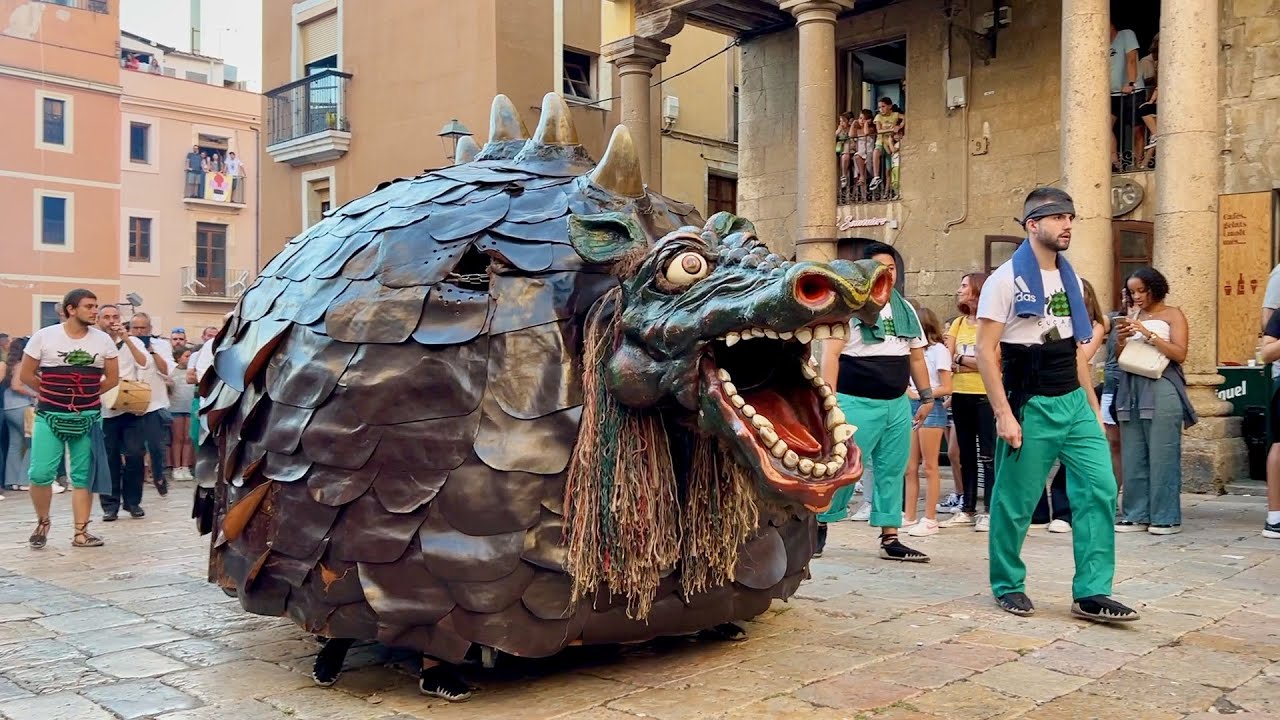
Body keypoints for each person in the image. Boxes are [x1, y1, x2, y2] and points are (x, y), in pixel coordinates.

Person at [975, 187, 1138, 622]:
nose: (1068, 225)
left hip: (1074, 402)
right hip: (1030, 403)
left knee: (1101, 489)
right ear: (1033, 225)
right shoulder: (1004, 281)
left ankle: (1092, 591)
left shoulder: (1072, 279)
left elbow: (1073, 350)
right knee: (1016, 501)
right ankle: (1008, 584)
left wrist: (1092, 408)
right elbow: (986, 351)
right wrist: (1003, 414)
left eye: (1070, 217)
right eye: (1058, 218)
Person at [815, 242, 933, 562]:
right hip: (856, 402)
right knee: (845, 468)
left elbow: (916, 357)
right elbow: (831, 357)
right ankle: (819, 524)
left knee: (892, 470)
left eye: (892, 269)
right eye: (880, 269)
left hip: (896, 404)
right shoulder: (848, 310)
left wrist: (926, 396)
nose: (888, 275)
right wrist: (829, 402)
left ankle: (890, 536)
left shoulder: (906, 310)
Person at [19, 289, 119, 548]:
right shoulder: (44, 336)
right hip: (48, 415)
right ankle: (43, 521)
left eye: (95, 306)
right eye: (89, 306)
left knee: (83, 476)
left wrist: (86, 395)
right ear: (71, 309)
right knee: (40, 473)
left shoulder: (104, 341)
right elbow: (26, 375)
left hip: (88, 417)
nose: (94, 311)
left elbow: (112, 379)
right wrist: (52, 394)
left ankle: (81, 532)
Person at [1113, 267, 1196, 535]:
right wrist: (1122, 338)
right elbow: (1120, 356)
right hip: (1131, 387)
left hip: (1162, 384)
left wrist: (1149, 334)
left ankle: (1165, 517)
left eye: (1142, 290)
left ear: (1155, 288)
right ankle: (1135, 514)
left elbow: (1180, 354)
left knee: (1163, 453)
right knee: (1133, 452)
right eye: (1132, 292)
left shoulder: (1173, 314)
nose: (1137, 296)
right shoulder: (1131, 315)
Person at [1031, 278, 1111, 533]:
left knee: (1072, 456)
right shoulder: (1057, 323)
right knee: (1038, 452)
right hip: (1048, 387)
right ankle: (1038, 512)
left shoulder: (1096, 325)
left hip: (1078, 390)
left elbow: (1080, 356)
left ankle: (1064, 512)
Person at [943, 272, 996, 530]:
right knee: (966, 453)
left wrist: (961, 361)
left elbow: (993, 360)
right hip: (961, 394)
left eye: (964, 285)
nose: (959, 290)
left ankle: (989, 510)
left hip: (986, 395)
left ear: (977, 289)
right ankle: (967, 508)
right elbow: (947, 358)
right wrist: (972, 362)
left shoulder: (992, 323)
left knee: (988, 454)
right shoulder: (958, 323)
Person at [97, 305, 151, 522]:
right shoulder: (95, 342)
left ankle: (133, 502)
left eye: (115, 316)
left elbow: (144, 363)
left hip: (131, 407)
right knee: (109, 458)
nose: (111, 321)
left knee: (135, 455)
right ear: (99, 320)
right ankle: (110, 505)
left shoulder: (133, 341)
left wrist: (127, 339)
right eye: (106, 317)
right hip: (106, 410)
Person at [903, 304, 951, 537]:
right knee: (910, 466)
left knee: (930, 466)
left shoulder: (939, 351)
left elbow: (947, 386)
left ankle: (930, 518)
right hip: (911, 404)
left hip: (931, 406)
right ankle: (909, 515)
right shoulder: (912, 351)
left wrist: (924, 394)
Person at [129, 312, 174, 498]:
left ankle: (159, 476)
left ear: (150, 329)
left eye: (143, 328)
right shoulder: (124, 344)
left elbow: (167, 371)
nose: (139, 331)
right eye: (136, 328)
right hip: (130, 404)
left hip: (154, 403)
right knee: (134, 450)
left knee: (156, 446)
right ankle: (136, 485)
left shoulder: (162, 345)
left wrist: (152, 350)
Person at [4, 338, 35, 492]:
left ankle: (11, 480)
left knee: (15, 444)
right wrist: (34, 394)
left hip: (8, 407)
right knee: (33, 442)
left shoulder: (10, 365)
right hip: (22, 406)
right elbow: (16, 385)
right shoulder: (22, 364)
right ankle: (24, 480)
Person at [168, 346, 195, 481]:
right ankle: (176, 467)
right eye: (186, 356)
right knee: (177, 438)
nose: (189, 359)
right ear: (178, 358)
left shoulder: (193, 371)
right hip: (176, 408)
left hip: (190, 408)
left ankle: (185, 467)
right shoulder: (172, 371)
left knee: (187, 438)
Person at [869, 97, 904, 192]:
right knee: (876, 152)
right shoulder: (878, 117)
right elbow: (879, 130)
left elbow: (905, 117)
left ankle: (887, 191)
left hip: (890, 143)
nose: (881, 109)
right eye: (879, 107)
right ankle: (876, 176)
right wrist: (892, 129)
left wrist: (900, 126)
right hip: (881, 141)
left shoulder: (895, 115)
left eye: (883, 106)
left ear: (890, 106)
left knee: (888, 170)